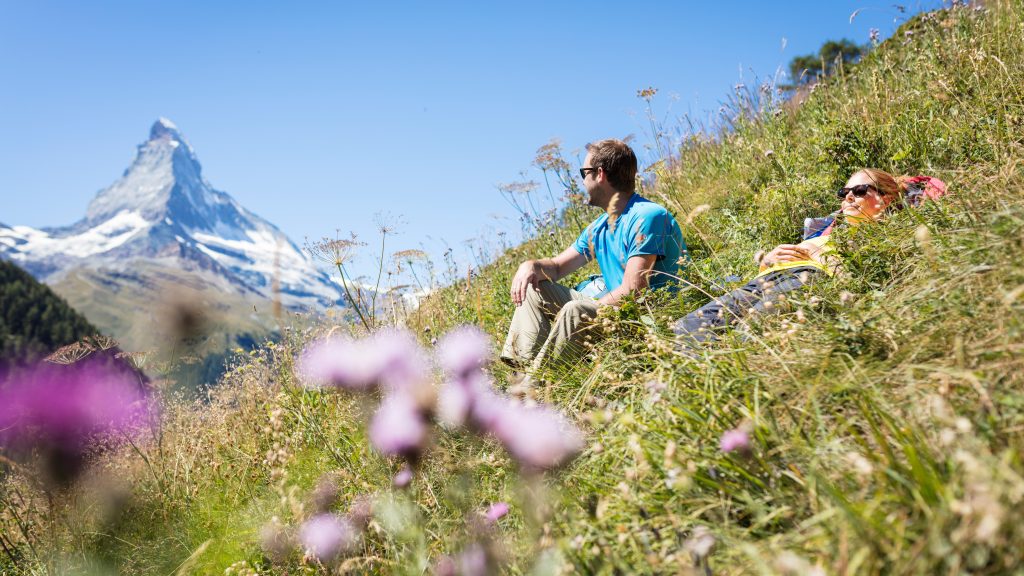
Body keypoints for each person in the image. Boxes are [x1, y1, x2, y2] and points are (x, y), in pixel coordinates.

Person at [500, 139, 685, 374]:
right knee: (533, 288)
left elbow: (633, 290)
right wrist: (530, 266)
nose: (582, 181)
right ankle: (522, 371)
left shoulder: (647, 216)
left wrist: (586, 306)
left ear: (600, 175)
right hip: (613, 312)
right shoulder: (599, 228)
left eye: (583, 173)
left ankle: (535, 390)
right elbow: (556, 268)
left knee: (574, 310)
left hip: (644, 319)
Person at [672, 168, 911, 345]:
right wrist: (766, 262)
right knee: (687, 327)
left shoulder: (886, 235)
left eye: (859, 191)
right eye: (844, 192)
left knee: (747, 334)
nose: (848, 197)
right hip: (767, 279)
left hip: (807, 278)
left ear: (886, 199)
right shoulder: (827, 230)